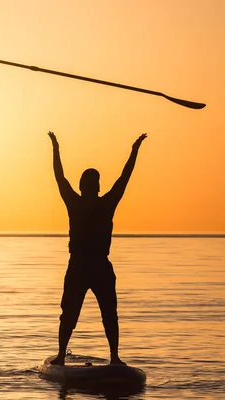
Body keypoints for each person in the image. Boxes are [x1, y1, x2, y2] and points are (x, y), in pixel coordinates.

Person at [48, 131, 147, 366]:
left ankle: (107, 357)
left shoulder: (94, 203)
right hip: (85, 266)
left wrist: (56, 148)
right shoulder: (93, 203)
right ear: (91, 186)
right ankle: (69, 356)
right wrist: (134, 151)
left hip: (92, 266)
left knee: (103, 314)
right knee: (77, 313)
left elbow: (60, 177)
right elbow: (124, 178)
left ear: (86, 186)